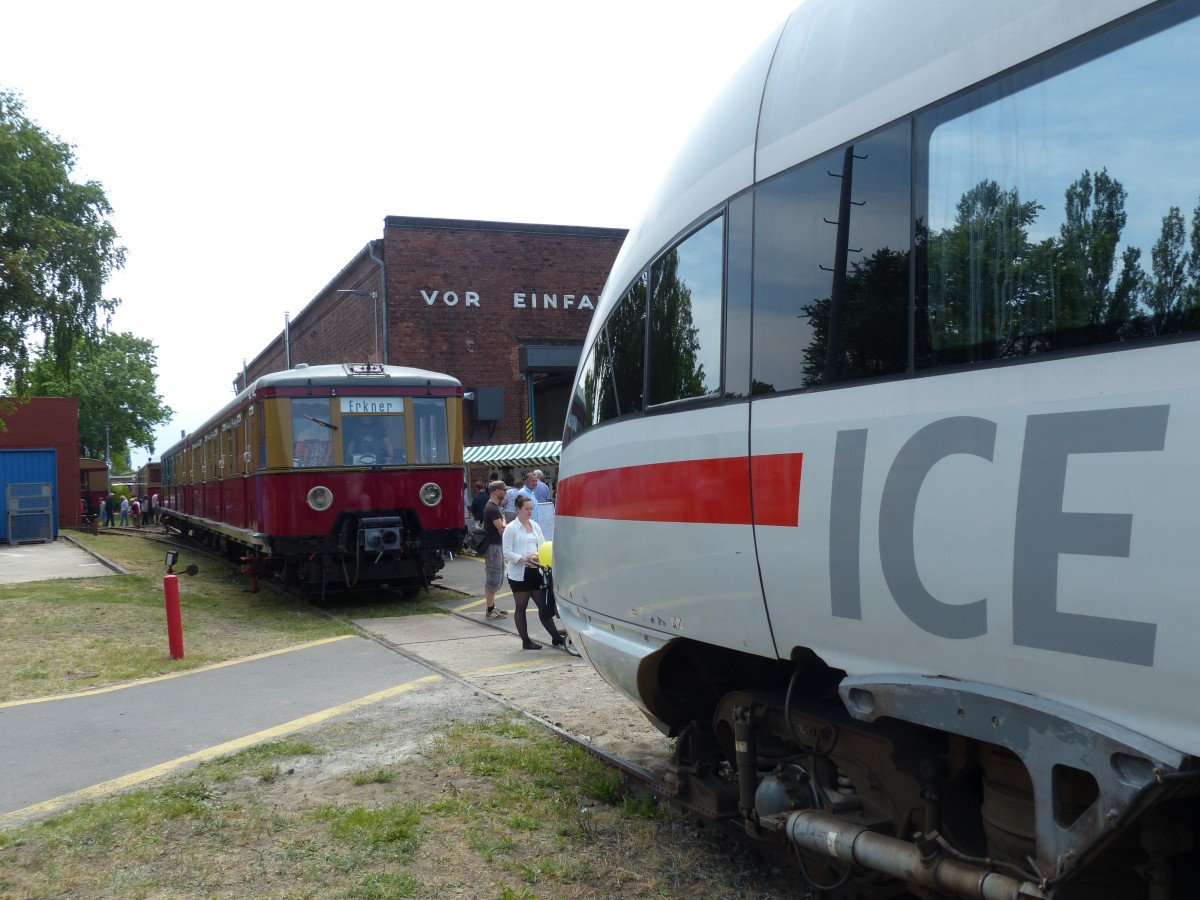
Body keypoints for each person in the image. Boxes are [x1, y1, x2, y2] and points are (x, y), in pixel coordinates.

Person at [502, 494, 566, 650]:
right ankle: (525, 641)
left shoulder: (535, 525)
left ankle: (556, 638)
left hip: (536, 570)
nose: (529, 512)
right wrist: (523, 558)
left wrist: (537, 555)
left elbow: (543, 546)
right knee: (521, 606)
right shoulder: (511, 528)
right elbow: (507, 552)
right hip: (519, 573)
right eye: (526, 509)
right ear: (518, 509)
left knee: (543, 606)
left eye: (531, 509)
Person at [481, 480, 509, 620]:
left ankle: (492, 607)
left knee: (497, 575)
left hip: (496, 545)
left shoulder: (495, 507)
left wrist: (502, 519)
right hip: (492, 547)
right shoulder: (492, 508)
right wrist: (503, 520)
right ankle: (490, 610)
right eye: (503, 490)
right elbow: (502, 529)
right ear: (497, 491)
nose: (505, 493)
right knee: (493, 576)